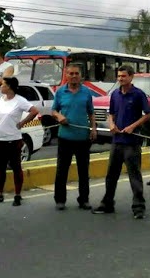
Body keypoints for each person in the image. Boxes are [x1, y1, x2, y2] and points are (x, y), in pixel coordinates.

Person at [92, 65, 150, 219]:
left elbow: (148, 114)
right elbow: (110, 114)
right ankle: (107, 204)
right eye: (119, 76)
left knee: (134, 176)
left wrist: (133, 126)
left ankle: (138, 208)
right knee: (111, 175)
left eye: (123, 76)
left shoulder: (138, 94)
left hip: (132, 142)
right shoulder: (115, 94)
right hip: (117, 141)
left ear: (131, 77)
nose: (120, 79)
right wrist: (111, 124)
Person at [0, 77, 39, 207]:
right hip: (0, 139)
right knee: (0, 168)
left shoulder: (19, 101)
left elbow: (34, 111)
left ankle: (18, 195)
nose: (1, 87)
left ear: (9, 87)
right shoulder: (2, 100)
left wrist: (22, 123)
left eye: (3, 85)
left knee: (16, 167)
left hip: (13, 139)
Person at [52, 64, 97, 211]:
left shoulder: (86, 92)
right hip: (65, 137)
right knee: (62, 170)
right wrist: (59, 116)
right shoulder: (60, 92)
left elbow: (91, 112)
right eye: (70, 73)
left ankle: (84, 199)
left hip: (82, 138)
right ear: (66, 75)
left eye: (76, 73)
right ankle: (60, 200)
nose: (73, 76)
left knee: (83, 171)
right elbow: (53, 110)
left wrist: (93, 129)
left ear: (80, 75)